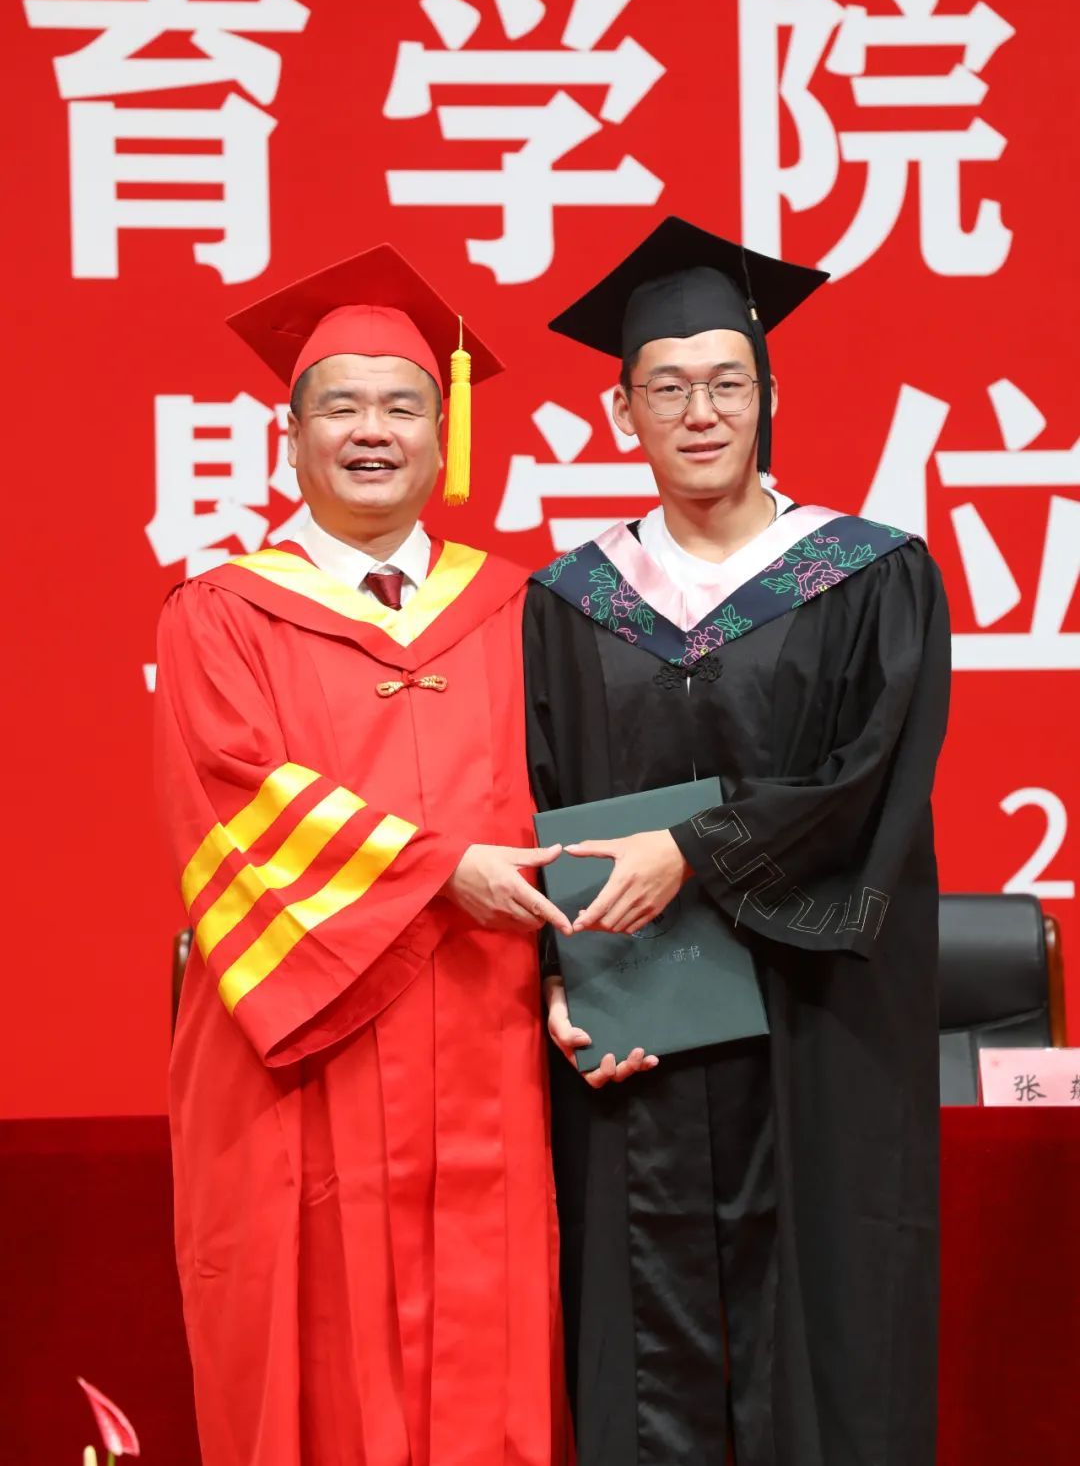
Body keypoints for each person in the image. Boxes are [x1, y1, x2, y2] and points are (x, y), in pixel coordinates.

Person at [524, 216, 951, 1466]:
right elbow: (535, 796)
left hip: (819, 1012)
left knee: (829, 1310)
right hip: (638, 1008)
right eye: (666, 388)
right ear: (621, 413)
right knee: (640, 1317)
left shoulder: (871, 575)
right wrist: (555, 976)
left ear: (770, 396)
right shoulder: (567, 603)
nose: (699, 412)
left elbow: (867, 781)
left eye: (726, 383)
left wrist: (695, 848)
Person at [156, 244, 572, 1466]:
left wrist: (588, 975)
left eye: (402, 406)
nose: (372, 431)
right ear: (290, 438)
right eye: (340, 407)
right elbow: (233, 801)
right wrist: (442, 870)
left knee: (497, 1328)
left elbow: (578, 801)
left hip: (494, 1026)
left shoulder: (522, 610)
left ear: (444, 438)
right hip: (304, 1040)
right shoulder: (221, 614)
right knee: (313, 1334)